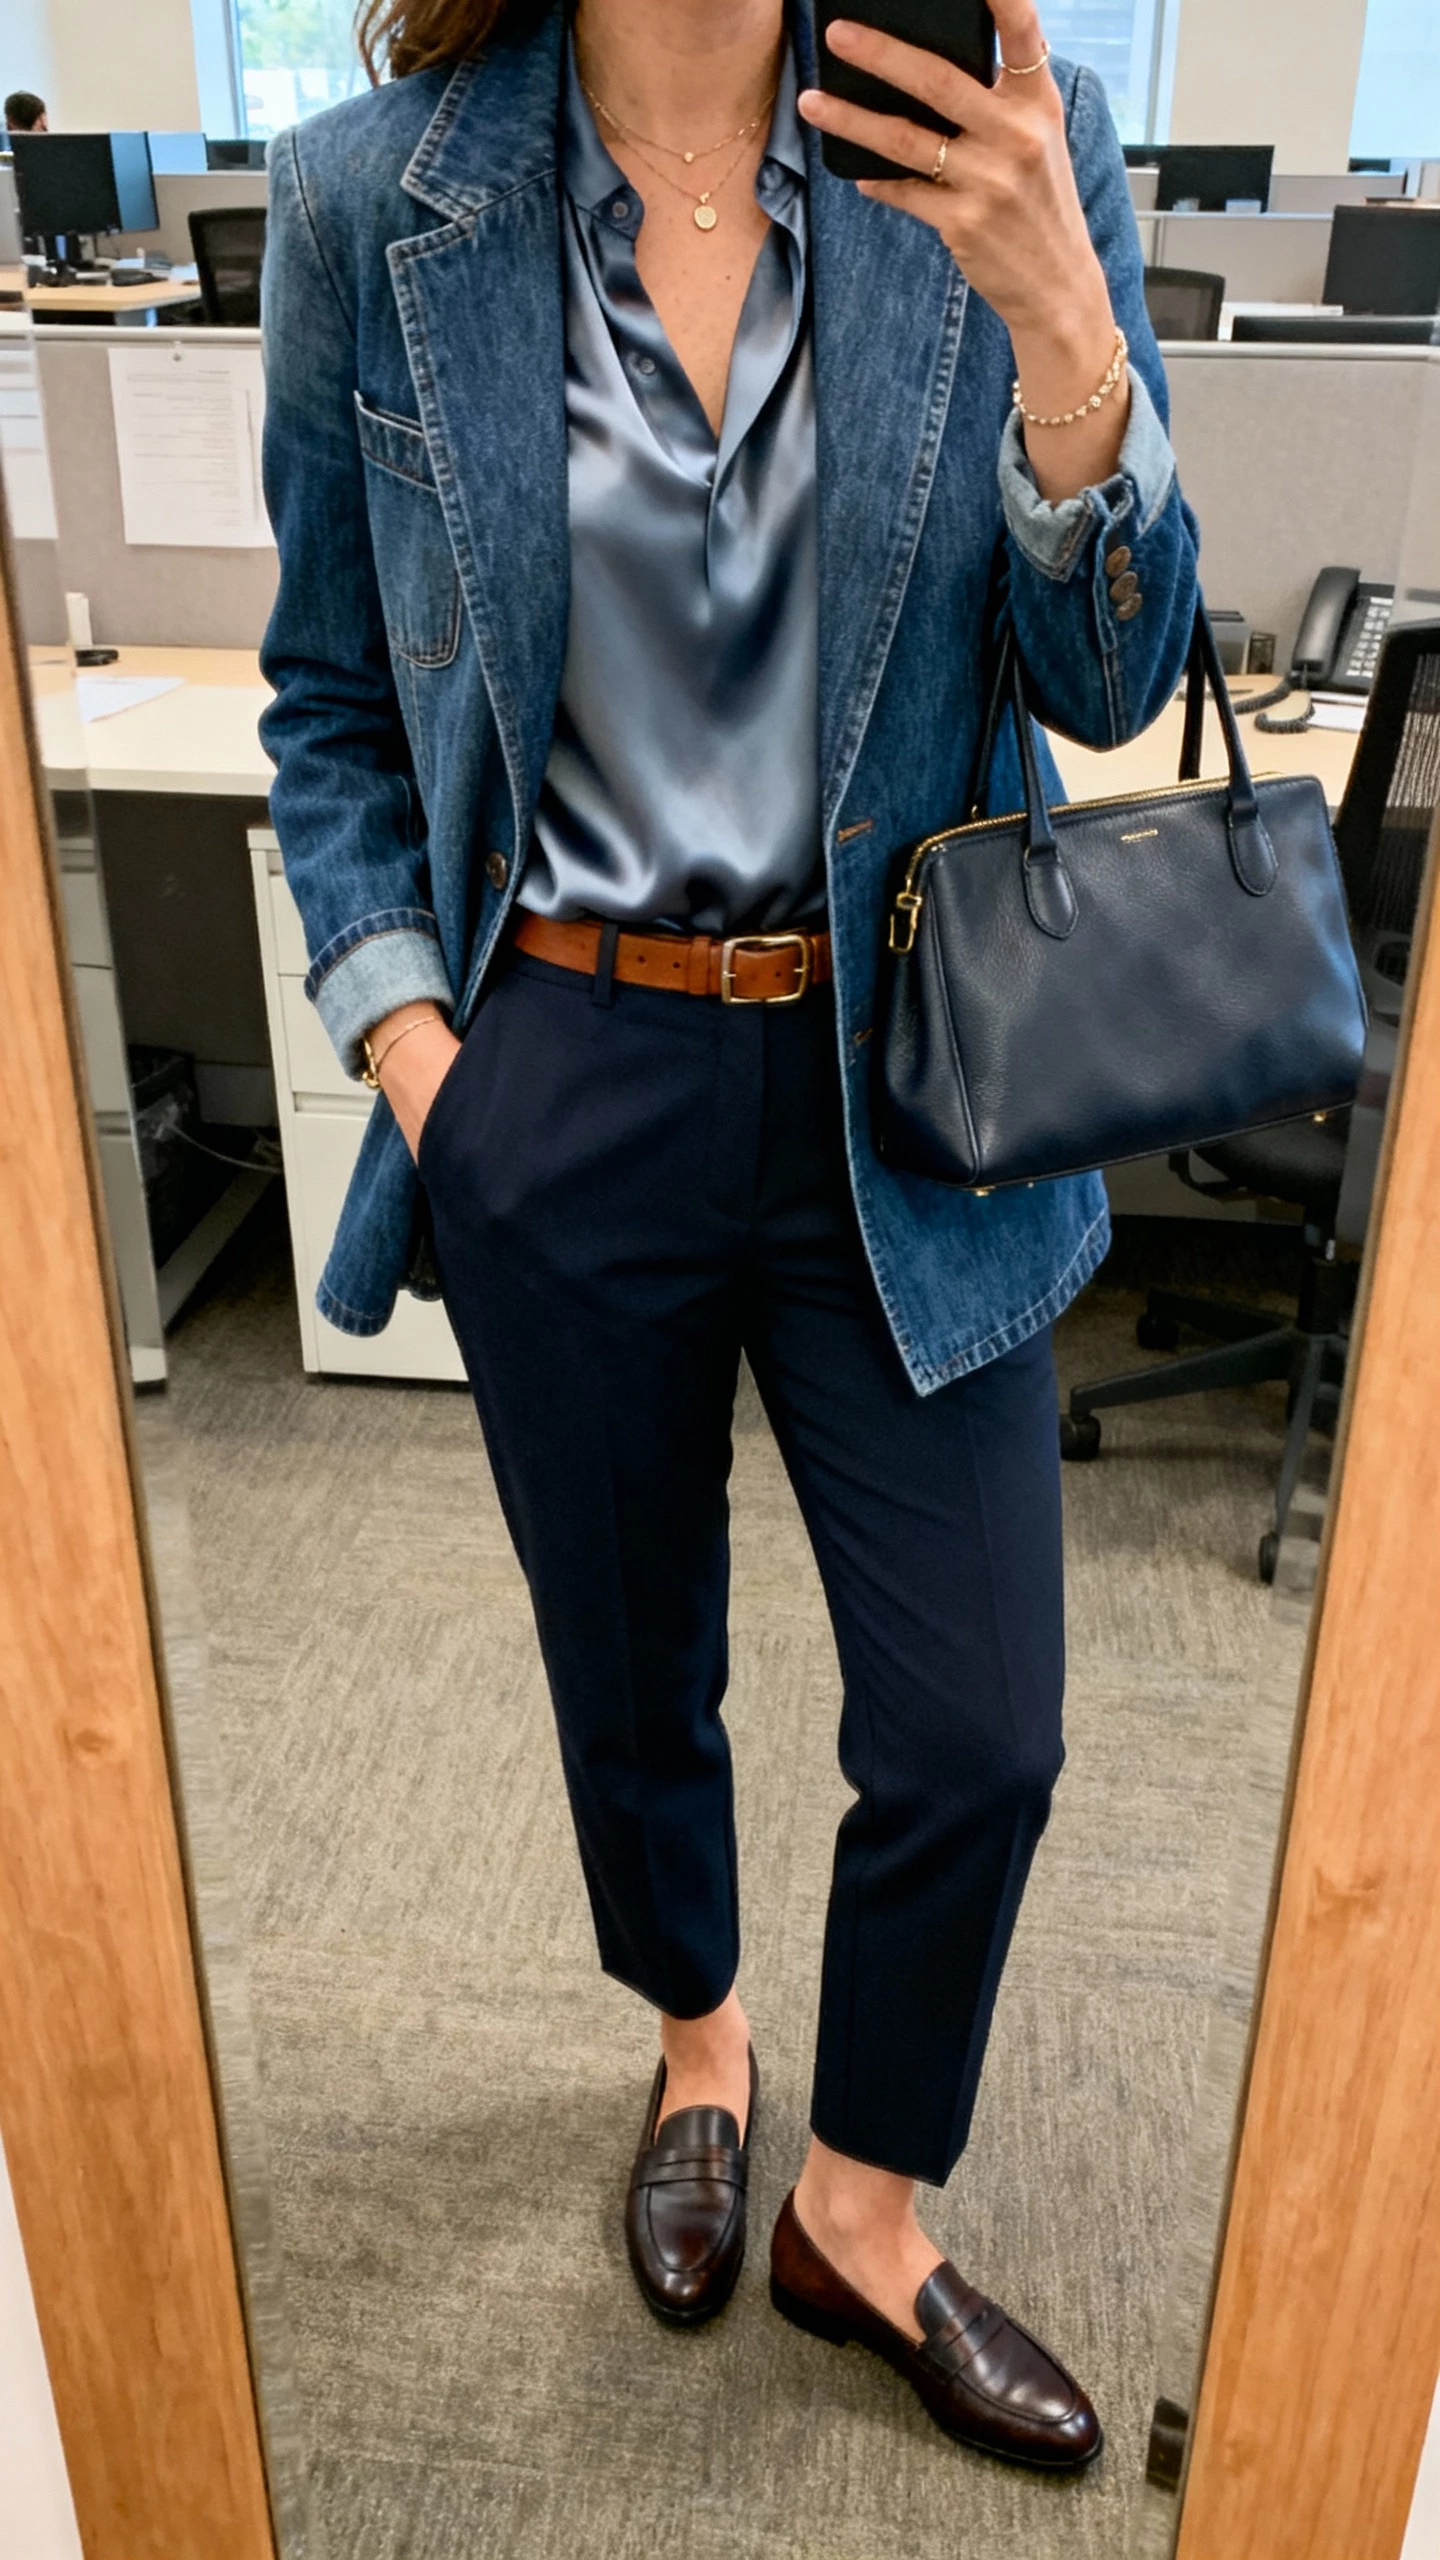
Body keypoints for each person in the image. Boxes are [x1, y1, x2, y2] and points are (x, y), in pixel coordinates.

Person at [260, 0, 1198, 2469]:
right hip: (555, 1065)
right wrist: (422, 1067)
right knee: (627, 1662)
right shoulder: (378, 191)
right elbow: (328, 705)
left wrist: (1065, 335)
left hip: (909, 1067)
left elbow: (1111, 673)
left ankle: (862, 2205)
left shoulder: (1007, 135)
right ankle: (701, 2048)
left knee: (983, 1722)